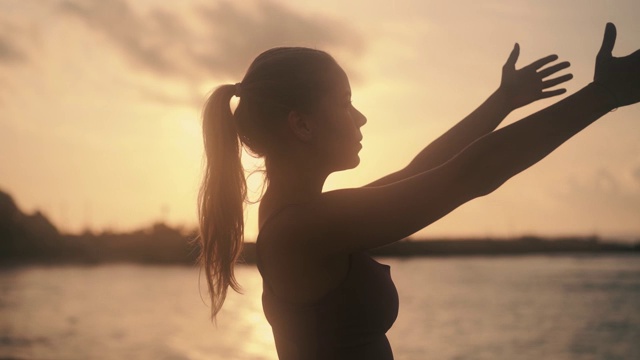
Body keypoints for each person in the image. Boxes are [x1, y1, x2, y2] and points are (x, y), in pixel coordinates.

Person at [197, 23, 639, 359]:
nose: (361, 118)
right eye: (346, 101)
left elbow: (423, 171)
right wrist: (602, 96)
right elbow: (469, 174)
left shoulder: (307, 218)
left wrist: (502, 102)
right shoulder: (302, 229)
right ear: (302, 124)